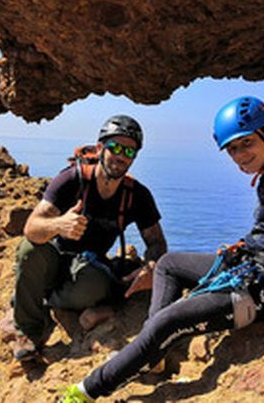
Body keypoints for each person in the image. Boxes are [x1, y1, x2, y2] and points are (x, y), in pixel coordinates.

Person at [60, 96, 264, 402]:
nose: (240, 156)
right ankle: (153, 354)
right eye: (233, 149)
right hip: (253, 265)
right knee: (168, 264)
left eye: (247, 143)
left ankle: (85, 392)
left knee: (166, 321)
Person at [10, 115, 168, 361]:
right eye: (115, 147)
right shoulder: (72, 180)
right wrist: (59, 224)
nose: (121, 155)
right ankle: (30, 331)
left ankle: (40, 297)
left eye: (129, 150)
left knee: (95, 284)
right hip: (55, 257)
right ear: (99, 148)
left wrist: (150, 266)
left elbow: (156, 242)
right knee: (28, 250)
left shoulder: (136, 195)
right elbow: (32, 228)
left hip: (87, 268)